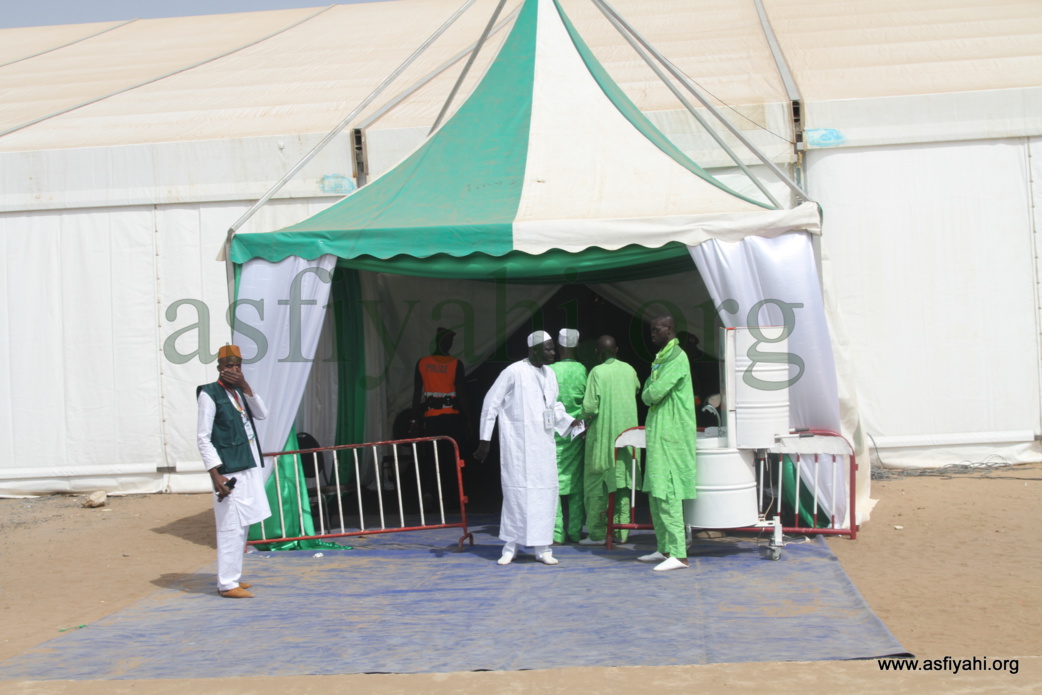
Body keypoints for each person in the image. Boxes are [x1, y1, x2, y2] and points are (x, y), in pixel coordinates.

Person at [474, 331, 578, 566]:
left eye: (554, 348)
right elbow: (491, 403)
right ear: (535, 349)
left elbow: (554, 406)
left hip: (544, 445)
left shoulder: (550, 374)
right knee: (517, 494)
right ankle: (511, 546)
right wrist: (485, 440)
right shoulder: (513, 372)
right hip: (519, 447)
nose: (554, 352)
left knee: (545, 494)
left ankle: (543, 548)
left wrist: (571, 422)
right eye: (549, 348)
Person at [197, 344, 272, 598]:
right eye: (228, 366)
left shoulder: (240, 393)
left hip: (248, 463)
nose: (233, 370)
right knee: (230, 524)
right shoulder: (209, 394)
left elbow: (262, 414)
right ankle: (226, 584)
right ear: (219, 368)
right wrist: (215, 474)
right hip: (229, 469)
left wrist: (247, 386)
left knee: (244, 523)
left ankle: (233, 577)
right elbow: (203, 438)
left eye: (237, 366)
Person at [639, 315, 698, 572]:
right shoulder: (663, 356)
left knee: (669, 493)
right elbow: (649, 393)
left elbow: (652, 393)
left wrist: (648, 391)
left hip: (671, 435)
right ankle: (664, 548)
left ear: (670, 329)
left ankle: (679, 553)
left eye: (656, 329)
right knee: (656, 491)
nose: (652, 334)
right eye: (651, 330)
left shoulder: (676, 358)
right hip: (659, 433)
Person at [579, 335, 641, 545]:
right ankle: (621, 532)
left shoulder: (597, 372)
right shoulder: (630, 370)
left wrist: (577, 419)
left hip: (603, 439)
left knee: (598, 487)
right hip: (628, 438)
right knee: (622, 484)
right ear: (617, 349)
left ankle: (597, 534)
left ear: (597, 352)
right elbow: (637, 390)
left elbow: (590, 408)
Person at [410, 327, 468, 506]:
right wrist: (468, 419)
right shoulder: (455, 364)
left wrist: (414, 418)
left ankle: (430, 490)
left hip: (431, 417)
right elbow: (461, 394)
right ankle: (450, 495)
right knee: (451, 456)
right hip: (451, 417)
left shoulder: (422, 363)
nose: (449, 345)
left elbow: (416, 394)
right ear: (441, 342)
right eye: (448, 341)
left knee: (432, 456)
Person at [549, 328, 587, 544]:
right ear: (576, 346)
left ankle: (556, 533)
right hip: (576, 431)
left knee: (554, 482)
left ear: (559, 346)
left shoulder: (550, 370)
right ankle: (574, 531)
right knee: (575, 483)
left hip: (553, 432)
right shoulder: (583, 370)